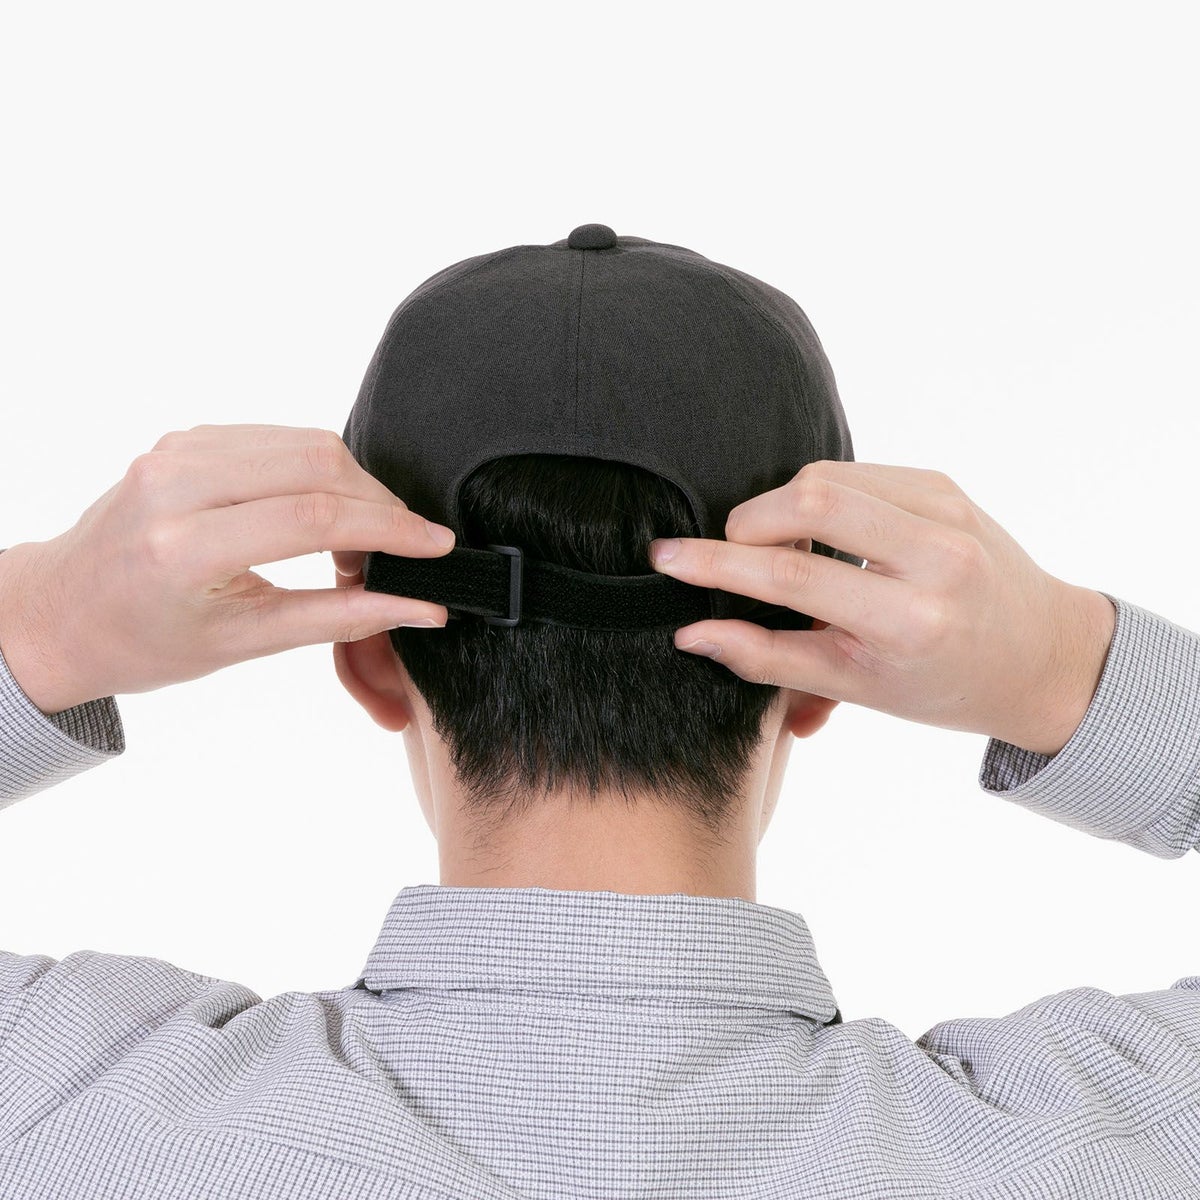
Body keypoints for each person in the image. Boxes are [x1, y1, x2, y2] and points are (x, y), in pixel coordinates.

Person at [0, 244, 1197, 1199]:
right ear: (826, 671)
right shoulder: (1111, 1146)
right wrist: (1058, 664)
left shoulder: (59, 1105)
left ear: (366, 653)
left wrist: (47, 626)